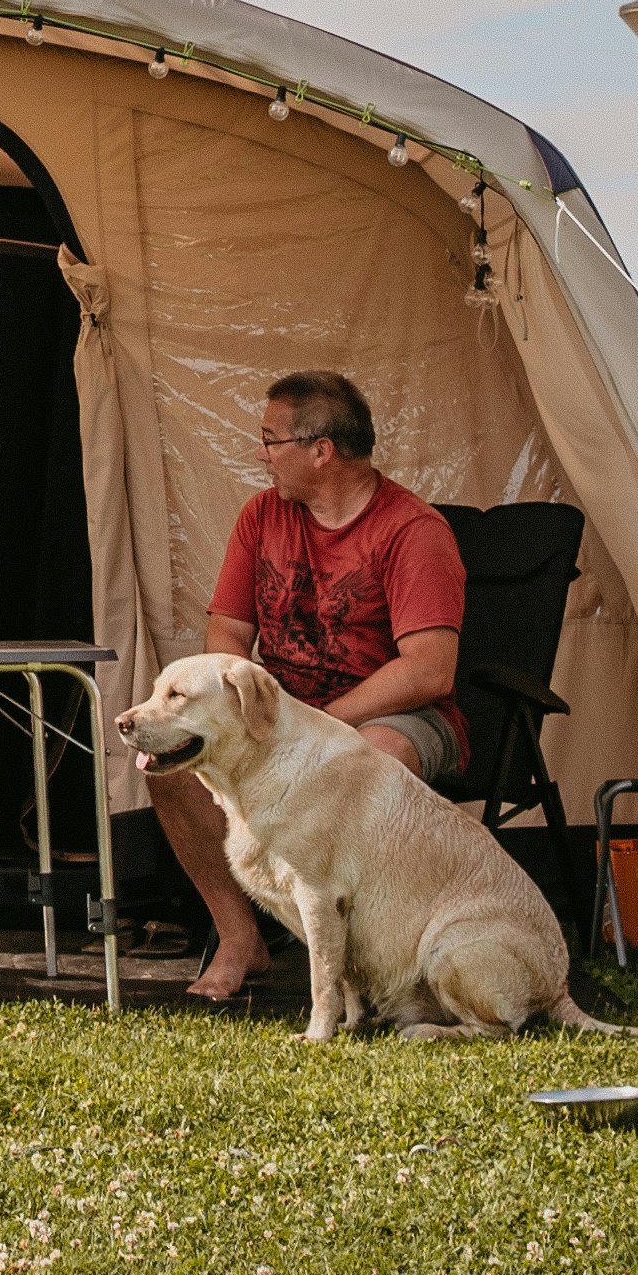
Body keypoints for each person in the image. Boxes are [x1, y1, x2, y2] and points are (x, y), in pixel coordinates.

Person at [153, 368, 465, 1011]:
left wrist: (321, 722)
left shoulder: (413, 530)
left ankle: (386, 966)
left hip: (393, 714)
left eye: (270, 441)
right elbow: (226, 635)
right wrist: (231, 710)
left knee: (372, 759)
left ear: (321, 450)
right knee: (171, 762)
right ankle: (241, 939)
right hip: (281, 712)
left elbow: (429, 670)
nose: (259, 455)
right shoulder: (261, 516)